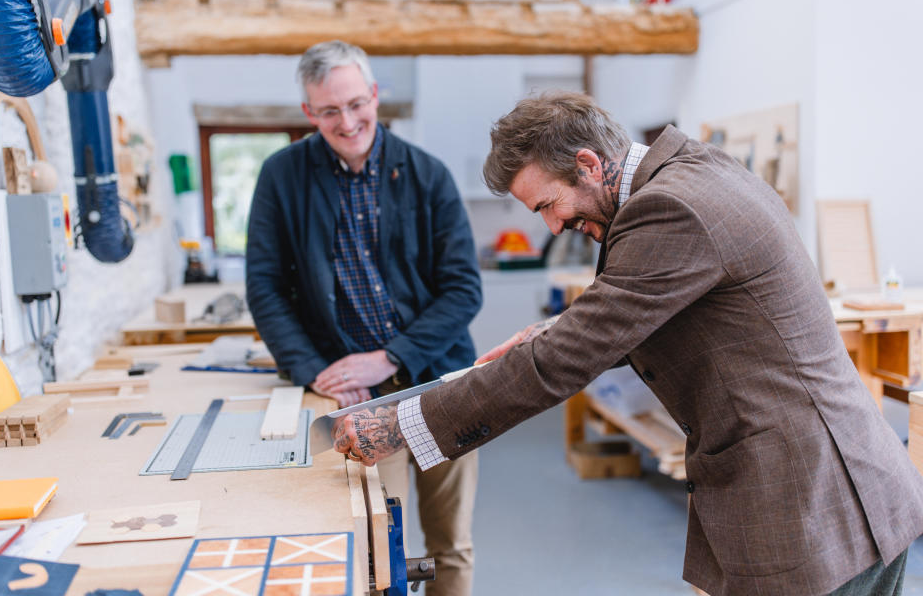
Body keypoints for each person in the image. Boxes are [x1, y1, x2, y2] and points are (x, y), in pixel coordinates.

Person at [333, 91, 923, 596]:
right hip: (830, 490)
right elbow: (634, 309)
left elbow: (562, 363)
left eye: (548, 205)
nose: (553, 227)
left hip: (815, 505)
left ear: (589, 164)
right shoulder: (687, 172)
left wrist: (402, 425)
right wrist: (546, 332)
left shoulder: (671, 209)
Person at [246, 41, 482, 596]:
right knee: (381, 548)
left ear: (375, 95)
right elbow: (265, 286)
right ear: (308, 111)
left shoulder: (428, 175)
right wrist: (313, 369)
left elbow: (463, 291)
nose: (347, 122)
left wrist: (390, 357)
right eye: (329, 111)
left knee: (452, 545)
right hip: (359, 402)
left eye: (356, 103)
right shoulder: (282, 177)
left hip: (441, 384)